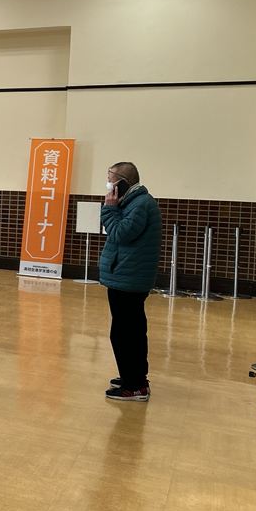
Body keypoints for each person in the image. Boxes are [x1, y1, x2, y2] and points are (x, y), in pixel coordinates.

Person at [99, 161, 161, 402]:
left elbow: (120, 233)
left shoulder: (141, 204)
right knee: (129, 330)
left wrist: (109, 209)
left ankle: (134, 385)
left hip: (129, 278)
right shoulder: (134, 202)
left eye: (110, 181)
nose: (108, 186)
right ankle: (132, 377)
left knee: (125, 333)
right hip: (126, 276)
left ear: (123, 183)